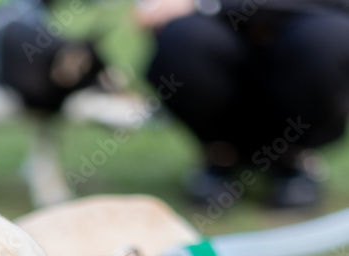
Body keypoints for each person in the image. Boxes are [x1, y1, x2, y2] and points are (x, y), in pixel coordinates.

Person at [139, 0, 349, 207]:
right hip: (220, 38)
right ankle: (220, 154)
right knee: (183, 37)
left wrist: (206, 4)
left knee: (327, 39)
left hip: (308, 23)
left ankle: (294, 155)